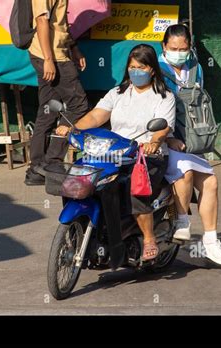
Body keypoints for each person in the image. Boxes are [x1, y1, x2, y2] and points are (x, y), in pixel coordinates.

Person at [56, 44, 176, 261]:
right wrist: (74, 129)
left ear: (152, 69)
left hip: (146, 156)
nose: (135, 71)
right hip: (112, 152)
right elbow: (95, 117)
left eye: (141, 67)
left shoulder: (164, 97)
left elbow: (163, 128)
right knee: (77, 179)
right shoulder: (118, 92)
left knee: (134, 191)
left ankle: (148, 238)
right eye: (132, 66)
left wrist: (154, 142)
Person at [159, 24, 221, 266]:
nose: (179, 53)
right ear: (164, 47)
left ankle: (211, 242)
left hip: (190, 140)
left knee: (211, 182)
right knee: (186, 172)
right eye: (174, 48)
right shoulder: (155, 69)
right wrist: (167, 137)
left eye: (184, 48)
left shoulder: (196, 68)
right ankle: (182, 221)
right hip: (161, 139)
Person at [25, 0, 90, 186]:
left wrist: (74, 48)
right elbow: (42, 21)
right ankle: (51, 163)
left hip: (55, 54)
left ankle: (36, 170)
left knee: (48, 110)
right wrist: (48, 59)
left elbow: (60, 23)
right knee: (79, 105)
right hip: (52, 57)